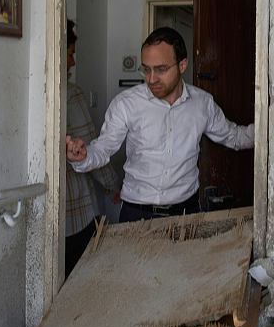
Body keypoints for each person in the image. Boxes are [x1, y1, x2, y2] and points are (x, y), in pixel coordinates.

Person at [66, 27, 254, 223]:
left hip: (186, 214)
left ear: (182, 65)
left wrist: (270, 132)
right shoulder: (126, 104)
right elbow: (103, 148)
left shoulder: (202, 104)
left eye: (161, 69)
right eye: (146, 69)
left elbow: (234, 137)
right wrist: (82, 157)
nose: (151, 79)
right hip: (136, 216)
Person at [64, 20, 122, 277]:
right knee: (83, 280)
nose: (73, 62)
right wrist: (114, 184)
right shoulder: (70, 94)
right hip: (76, 213)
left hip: (45, 222)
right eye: (70, 54)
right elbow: (90, 149)